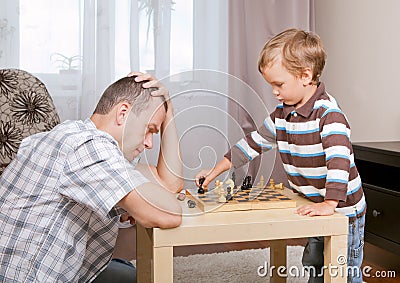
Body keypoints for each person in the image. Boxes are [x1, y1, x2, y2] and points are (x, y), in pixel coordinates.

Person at [195, 28, 366, 283]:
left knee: (343, 275)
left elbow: (340, 162)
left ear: (306, 76)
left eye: (279, 84)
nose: (274, 91)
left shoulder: (329, 114)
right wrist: (215, 170)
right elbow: (252, 144)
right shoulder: (282, 115)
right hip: (314, 204)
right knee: (315, 266)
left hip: (344, 211)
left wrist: (330, 204)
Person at [0, 73, 183, 282]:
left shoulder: (80, 139)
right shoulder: (88, 147)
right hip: (23, 277)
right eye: (149, 130)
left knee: (132, 274)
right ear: (123, 113)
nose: (150, 143)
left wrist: (169, 113)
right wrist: (145, 202)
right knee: (137, 277)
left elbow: (169, 184)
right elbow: (166, 214)